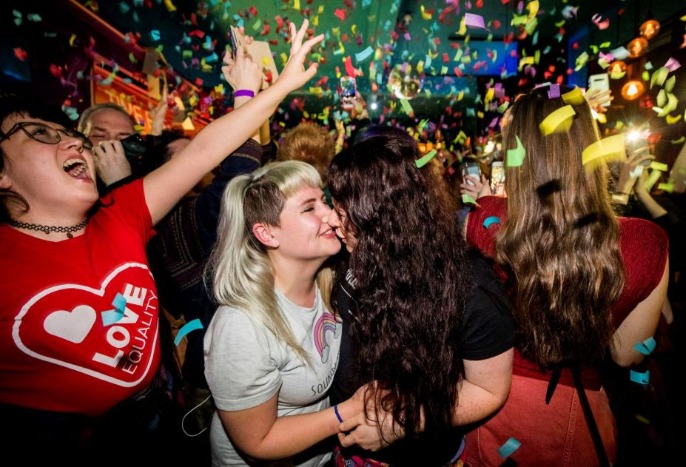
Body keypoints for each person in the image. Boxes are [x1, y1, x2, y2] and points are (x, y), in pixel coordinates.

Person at [0, 19, 324, 464]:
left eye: (67, 135)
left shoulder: (122, 214)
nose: (74, 145)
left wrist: (276, 86)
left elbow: (210, 154)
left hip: (163, 422)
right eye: (40, 135)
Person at [463, 84, 669, 466]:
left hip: (493, 404)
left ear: (517, 153)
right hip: (577, 412)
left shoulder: (484, 218)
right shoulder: (645, 242)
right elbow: (627, 354)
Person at [324, 127, 515, 465]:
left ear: (380, 217)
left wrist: (402, 421)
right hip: (344, 452)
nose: (330, 219)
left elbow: (488, 390)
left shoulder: (469, 286)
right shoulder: (346, 254)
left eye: (341, 212)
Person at [203, 160, 364, 466]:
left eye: (325, 201)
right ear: (267, 234)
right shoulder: (241, 325)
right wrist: (351, 411)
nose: (331, 215)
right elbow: (258, 441)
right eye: (309, 208)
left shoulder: (330, 284)